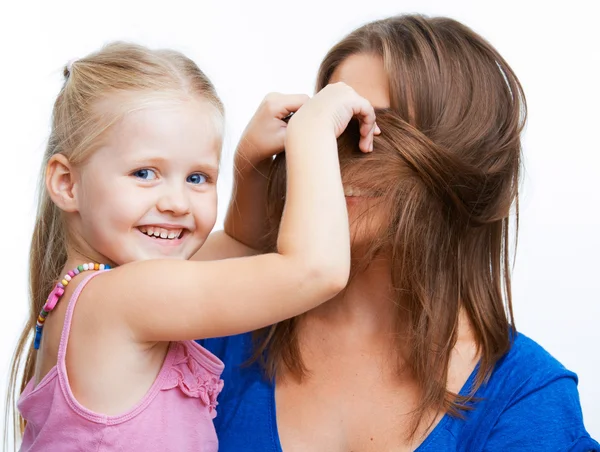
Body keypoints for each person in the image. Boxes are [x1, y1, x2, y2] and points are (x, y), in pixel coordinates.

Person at [196, 15, 600, 451]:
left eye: (374, 125)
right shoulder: (212, 331)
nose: (341, 155)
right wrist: (248, 173)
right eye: (334, 122)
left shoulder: (527, 398)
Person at [5, 42, 380, 451]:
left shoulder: (95, 288)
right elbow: (314, 271)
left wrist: (249, 165)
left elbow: (243, 246)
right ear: (66, 183)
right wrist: (314, 130)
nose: (177, 203)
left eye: (198, 178)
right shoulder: (123, 299)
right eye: (144, 172)